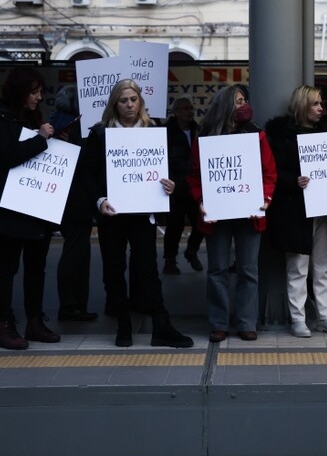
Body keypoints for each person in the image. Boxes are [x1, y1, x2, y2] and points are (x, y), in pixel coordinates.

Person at [81, 79, 193, 348]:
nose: (129, 105)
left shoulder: (156, 131)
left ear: (140, 101)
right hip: (113, 212)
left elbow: (178, 165)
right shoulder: (100, 134)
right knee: (114, 268)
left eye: (133, 99)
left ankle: (161, 326)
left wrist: (172, 182)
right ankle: (123, 326)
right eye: (123, 100)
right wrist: (99, 200)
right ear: (114, 104)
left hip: (144, 211)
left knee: (147, 267)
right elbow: (87, 173)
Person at [187, 85, 276, 342]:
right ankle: (219, 323)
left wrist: (265, 199)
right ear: (226, 105)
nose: (244, 105)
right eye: (238, 101)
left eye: (244, 100)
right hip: (217, 214)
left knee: (248, 270)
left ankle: (246, 322)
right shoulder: (204, 137)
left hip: (250, 214)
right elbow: (194, 176)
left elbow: (269, 173)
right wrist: (201, 200)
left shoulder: (257, 135)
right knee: (217, 270)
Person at [265, 85, 327, 338]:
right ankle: (299, 319)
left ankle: (324, 316)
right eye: (315, 104)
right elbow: (273, 172)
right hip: (296, 210)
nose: (321, 109)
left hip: (325, 209)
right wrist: (294, 181)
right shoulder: (281, 135)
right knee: (298, 267)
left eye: (321, 104)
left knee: (322, 268)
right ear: (302, 105)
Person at [0, 66, 60, 350]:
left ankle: (34, 321)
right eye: (33, 92)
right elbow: (9, 156)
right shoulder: (4, 118)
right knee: (7, 268)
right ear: (19, 92)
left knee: (37, 267)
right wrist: (41, 140)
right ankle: (5, 323)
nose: (38, 98)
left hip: (36, 206)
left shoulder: (32, 118)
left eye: (40, 92)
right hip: (11, 209)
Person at [49, 84, 98, 321]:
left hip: (62, 195)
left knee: (76, 247)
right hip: (76, 196)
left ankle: (75, 304)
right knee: (76, 250)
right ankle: (71, 304)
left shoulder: (55, 121)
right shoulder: (75, 126)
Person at [162, 96, 205, 275]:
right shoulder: (166, 131)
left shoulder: (199, 129)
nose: (190, 111)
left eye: (191, 108)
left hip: (195, 185)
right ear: (176, 112)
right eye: (186, 108)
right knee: (175, 225)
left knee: (201, 221)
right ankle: (170, 261)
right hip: (175, 187)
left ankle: (192, 250)